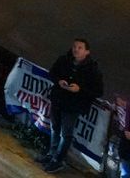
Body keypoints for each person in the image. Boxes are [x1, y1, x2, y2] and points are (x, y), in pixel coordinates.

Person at [44, 38, 102, 172]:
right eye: (75, 46)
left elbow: (98, 91)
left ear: (87, 51)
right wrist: (59, 81)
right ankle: (51, 154)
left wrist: (80, 89)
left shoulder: (93, 69)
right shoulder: (64, 60)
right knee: (54, 127)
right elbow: (52, 73)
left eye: (80, 47)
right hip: (58, 100)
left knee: (66, 134)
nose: (76, 49)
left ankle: (58, 160)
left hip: (73, 106)